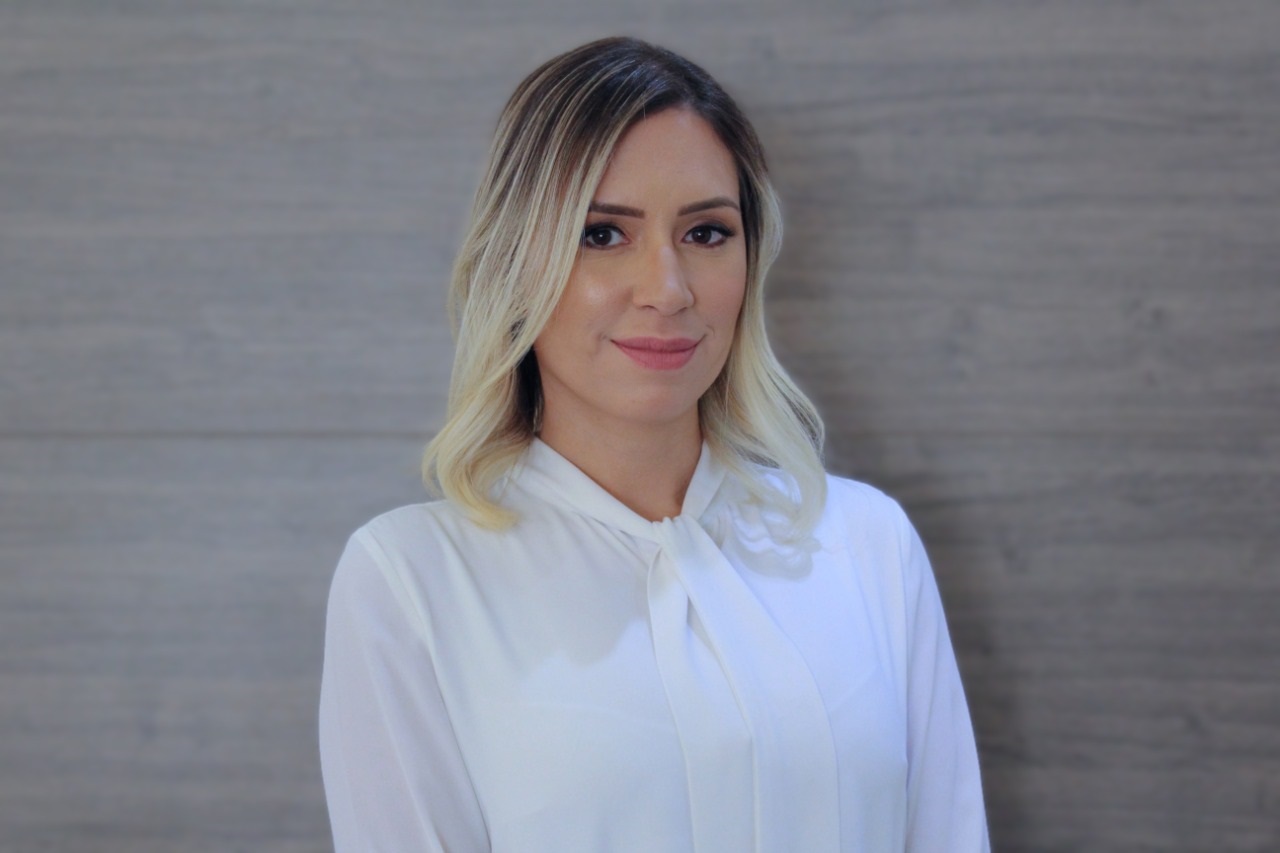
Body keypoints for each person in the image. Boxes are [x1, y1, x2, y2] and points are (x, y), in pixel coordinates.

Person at [318, 36, 989, 852]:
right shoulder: (412, 580)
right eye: (603, 234)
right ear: (516, 263)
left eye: (706, 233)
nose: (667, 291)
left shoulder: (867, 544)